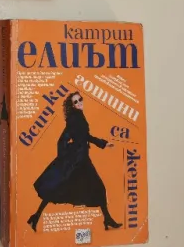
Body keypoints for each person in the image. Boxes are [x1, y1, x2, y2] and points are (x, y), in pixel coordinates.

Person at [28, 91, 122, 232]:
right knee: (60, 188)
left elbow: (86, 136)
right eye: (75, 102)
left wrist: (103, 143)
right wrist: (67, 155)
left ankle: (107, 219)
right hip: (77, 161)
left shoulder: (79, 116)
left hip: (83, 159)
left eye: (80, 99)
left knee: (94, 188)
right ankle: (35, 217)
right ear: (72, 106)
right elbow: (62, 140)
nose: (79, 103)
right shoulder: (74, 119)